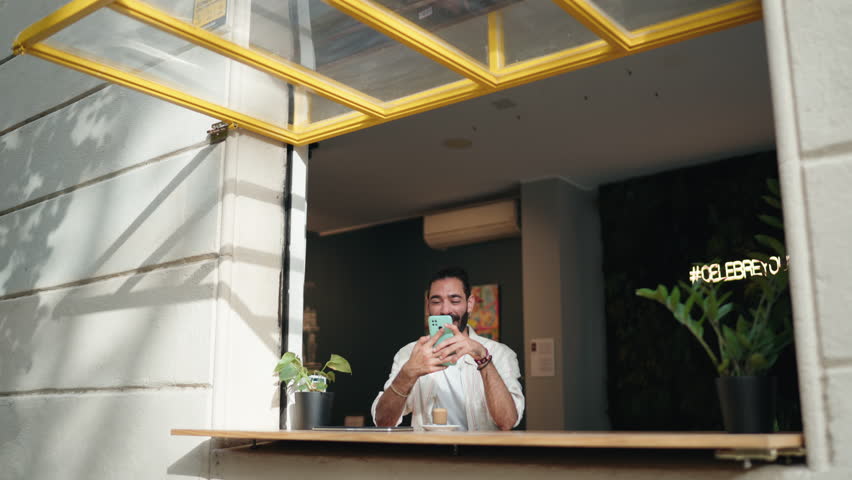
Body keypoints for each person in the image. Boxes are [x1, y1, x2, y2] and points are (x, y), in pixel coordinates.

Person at [371, 267, 524, 431]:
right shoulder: (409, 353)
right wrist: (407, 373)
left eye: (455, 301)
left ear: (469, 304)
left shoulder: (500, 353)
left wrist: (483, 358)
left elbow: (507, 421)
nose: (445, 310)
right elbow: (383, 422)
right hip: (427, 454)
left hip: (479, 455)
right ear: (428, 305)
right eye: (436, 302)